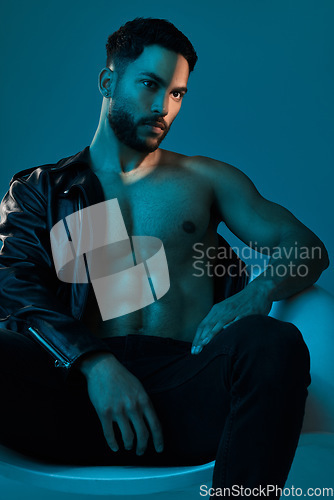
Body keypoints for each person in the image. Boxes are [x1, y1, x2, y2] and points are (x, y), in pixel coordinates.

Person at [0, 17, 329, 498]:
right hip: (72, 393)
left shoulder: (205, 179)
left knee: (271, 340)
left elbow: (306, 248)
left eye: (177, 94)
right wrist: (95, 364)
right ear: (108, 81)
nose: (163, 107)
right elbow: (12, 284)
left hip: (184, 392)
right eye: (151, 85)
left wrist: (258, 292)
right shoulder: (42, 189)